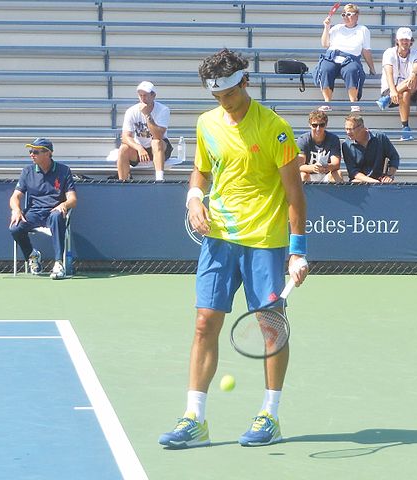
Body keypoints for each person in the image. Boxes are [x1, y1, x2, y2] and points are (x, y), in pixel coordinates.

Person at [158, 48, 309, 449]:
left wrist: (298, 251)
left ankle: (270, 415)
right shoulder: (206, 123)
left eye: (227, 93)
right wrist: (193, 198)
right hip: (219, 239)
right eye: (216, 96)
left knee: (270, 327)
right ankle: (194, 418)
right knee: (205, 322)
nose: (222, 102)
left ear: (244, 82)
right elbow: (203, 170)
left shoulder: (274, 128)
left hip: (264, 242)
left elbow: (295, 194)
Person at [9, 138, 77, 280]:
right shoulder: (27, 171)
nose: (31, 154)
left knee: (57, 216)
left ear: (47, 153)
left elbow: (72, 199)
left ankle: (59, 263)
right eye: (30, 151)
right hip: (34, 213)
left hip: (54, 213)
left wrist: (64, 205)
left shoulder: (64, 170)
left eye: (35, 151)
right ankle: (32, 255)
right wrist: (16, 210)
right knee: (15, 228)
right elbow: (15, 197)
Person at [314, 3, 376, 112]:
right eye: (343, 14)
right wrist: (326, 27)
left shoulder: (363, 30)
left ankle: (354, 103)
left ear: (357, 15)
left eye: (349, 14)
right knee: (325, 68)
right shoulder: (337, 28)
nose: (345, 17)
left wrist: (372, 68)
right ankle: (327, 102)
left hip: (351, 58)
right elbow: (325, 44)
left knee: (352, 70)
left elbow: (366, 50)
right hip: (332, 56)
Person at [117, 81, 172, 182]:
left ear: (153, 95)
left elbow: (158, 136)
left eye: (145, 95)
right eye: (140, 95)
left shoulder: (163, 110)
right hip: (140, 147)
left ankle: (159, 179)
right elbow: (125, 137)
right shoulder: (131, 111)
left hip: (160, 148)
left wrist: (147, 115)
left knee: (156, 142)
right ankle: (122, 182)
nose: (143, 99)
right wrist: (139, 148)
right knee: (123, 149)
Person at [376, 27, 417, 141]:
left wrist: (413, 73)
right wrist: (392, 91)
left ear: (411, 41)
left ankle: (386, 99)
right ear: (397, 40)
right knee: (405, 94)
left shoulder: (416, 53)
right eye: (402, 39)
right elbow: (389, 74)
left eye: (407, 40)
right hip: (391, 89)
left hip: (409, 87)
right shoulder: (389, 52)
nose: (405, 42)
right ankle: (405, 127)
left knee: (415, 77)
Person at [341, 113, 400, 183]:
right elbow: (353, 172)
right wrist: (373, 181)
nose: (348, 132)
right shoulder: (346, 145)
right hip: (360, 182)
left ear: (361, 127)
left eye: (351, 129)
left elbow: (394, 157)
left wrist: (390, 175)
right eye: (346, 129)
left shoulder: (380, 137)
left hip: (380, 180)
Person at [296, 109, 343, 183]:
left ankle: (337, 194)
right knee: (302, 175)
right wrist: (314, 168)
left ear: (326, 125)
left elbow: (336, 164)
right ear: (310, 125)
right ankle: (303, 195)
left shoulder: (333, 139)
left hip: (327, 173)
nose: (318, 129)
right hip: (309, 173)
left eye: (321, 125)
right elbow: (299, 166)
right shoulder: (303, 139)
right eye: (314, 125)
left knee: (338, 173)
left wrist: (325, 167)